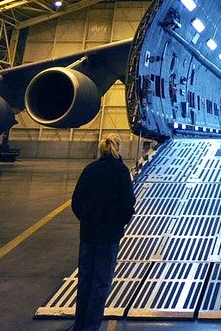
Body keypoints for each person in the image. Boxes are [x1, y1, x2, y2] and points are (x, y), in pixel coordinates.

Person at [71, 137, 135, 331]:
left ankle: (79, 324)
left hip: (88, 234)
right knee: (101, 281)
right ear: (118, 148)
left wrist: (87, 220)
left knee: (85, 280)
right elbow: (128, 203)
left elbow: (76, 201)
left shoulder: (90, 169)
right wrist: (118, 224)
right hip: (109, 236)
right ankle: (91, 326)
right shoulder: (121, 172)